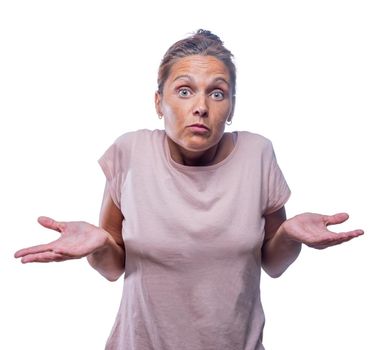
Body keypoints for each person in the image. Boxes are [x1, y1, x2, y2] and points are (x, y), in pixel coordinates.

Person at [14, 29, 364, 350]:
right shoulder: (130, 152)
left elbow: (273, 265)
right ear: (158, 102)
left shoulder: (257, 154)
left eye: (217, 92)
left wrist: (288, 235)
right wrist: (99, 245)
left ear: (232, 107)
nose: (201, 106)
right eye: (184, 90)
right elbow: (112, 267)